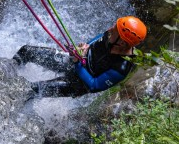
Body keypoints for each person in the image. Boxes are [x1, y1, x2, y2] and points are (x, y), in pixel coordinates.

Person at [13, 16, 147, 97]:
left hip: (78, 84)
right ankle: (7, 69)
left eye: (115, 30)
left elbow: (94, 86)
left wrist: (78, 62)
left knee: (32, 90)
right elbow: (93, 43)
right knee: (27, 51)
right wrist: (84, 47)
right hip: (73, 61)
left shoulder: (121, 68)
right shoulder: (111, 36)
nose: (110, 29)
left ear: (122, 42)